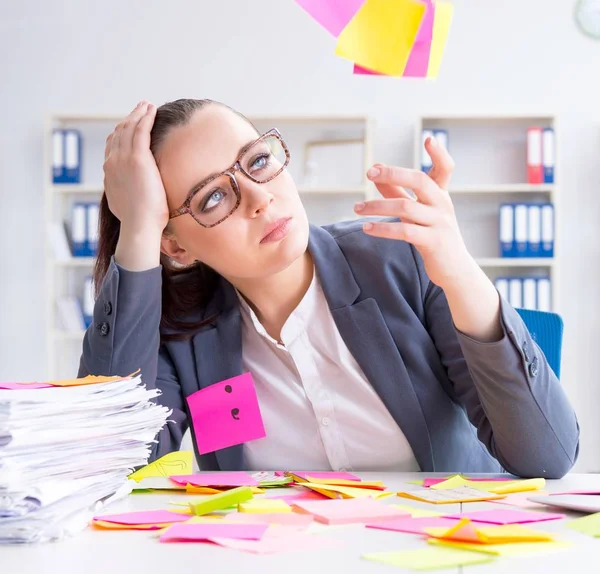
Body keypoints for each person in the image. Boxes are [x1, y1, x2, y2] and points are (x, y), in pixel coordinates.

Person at [79, 99, 579, 478]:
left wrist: (462, 275)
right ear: (177, 246)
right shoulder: (180, 329)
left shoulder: (401, 261)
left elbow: (546, 458)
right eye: (212, 198)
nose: (260, 198)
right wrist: (138, 231)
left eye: (256, 162)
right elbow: (114, 468)